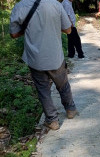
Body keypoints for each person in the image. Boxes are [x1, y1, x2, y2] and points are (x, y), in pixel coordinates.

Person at [10, 0, 78, 130]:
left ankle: (52, 120)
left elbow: (13, 34)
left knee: (43, 89)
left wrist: (30, 29)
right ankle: (70, 109)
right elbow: (68, 29)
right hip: (55, 56)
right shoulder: (56, 5)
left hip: (35, 58)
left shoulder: (19, 6)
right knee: (63, 83)